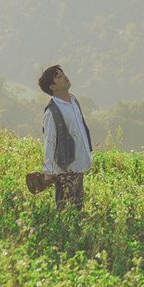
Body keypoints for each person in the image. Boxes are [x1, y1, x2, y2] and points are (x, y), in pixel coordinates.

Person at [37, 63, 93, 209]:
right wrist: (48, 171)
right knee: (63, 206)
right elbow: (49, 141)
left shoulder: (74, 101)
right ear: (52, 87)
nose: (65, 77)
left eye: (63, 74)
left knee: (78, 205)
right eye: (59, 77)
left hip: (78, 163)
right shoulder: (52, 112)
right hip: (64, 167)